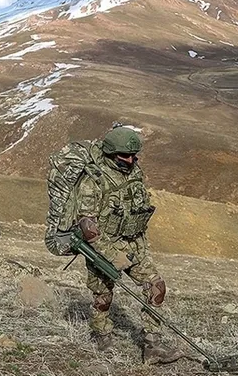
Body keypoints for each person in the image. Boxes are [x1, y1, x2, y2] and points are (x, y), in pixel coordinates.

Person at [59, 126, 182, 364]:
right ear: (110, 153)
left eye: (134, 155)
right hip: (104, 247)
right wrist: (113, 255)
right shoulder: (93, 181)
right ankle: (102, 333)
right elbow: (88, 228)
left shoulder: (134, 171)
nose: (131, 160)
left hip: (135, 244)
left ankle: (152, 345)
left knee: (156, 286)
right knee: (103, 296)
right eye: (124, 156)